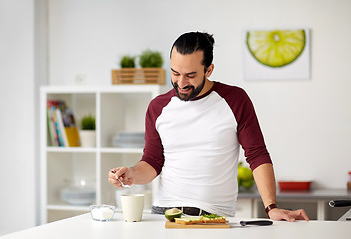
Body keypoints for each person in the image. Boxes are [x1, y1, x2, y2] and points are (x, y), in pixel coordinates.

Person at [108, 31, 309, 221]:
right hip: (164, 214)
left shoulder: (235, 99)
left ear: (209, 69)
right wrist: (132, 173)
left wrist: (271, 207)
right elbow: (152, 161)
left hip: (213, 216)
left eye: (190, 75)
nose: (181, 82)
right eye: (175, 73)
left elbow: (256, 154)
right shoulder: (158, 107)